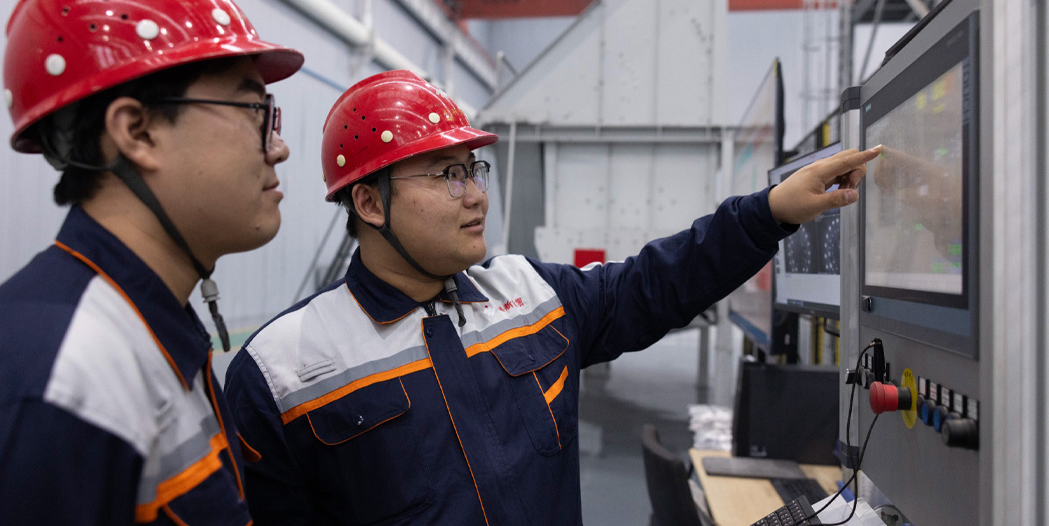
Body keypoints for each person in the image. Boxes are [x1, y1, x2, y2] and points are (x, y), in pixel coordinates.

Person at [224, 70, 881, 525]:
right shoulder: (284, 371)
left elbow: (657, 283)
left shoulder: (531, 295)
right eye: (447, 175)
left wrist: (768, 215)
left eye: (473, 170)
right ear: (369, 202)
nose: (476, 194)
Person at [0, 0, 302, 523]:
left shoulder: (149, 330)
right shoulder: (60, 383)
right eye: (256, 113)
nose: (280, 148)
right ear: (137, 131)